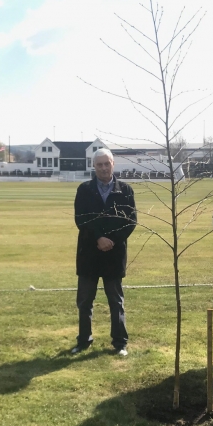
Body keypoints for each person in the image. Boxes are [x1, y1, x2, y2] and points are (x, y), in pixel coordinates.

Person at [71, 148, 137, 356]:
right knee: (85, 301)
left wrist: (112, 241)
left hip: (114, 255)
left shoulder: (125, 190)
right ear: (94, 166)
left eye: (106, 163)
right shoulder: (84, 190)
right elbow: (81, 219)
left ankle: (120, 343)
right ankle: (83, 341)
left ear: (113, 164)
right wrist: (99, 238)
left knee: (116, 301)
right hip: (89, 253)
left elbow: (130, 221)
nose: (103, 168)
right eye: (99, 164)